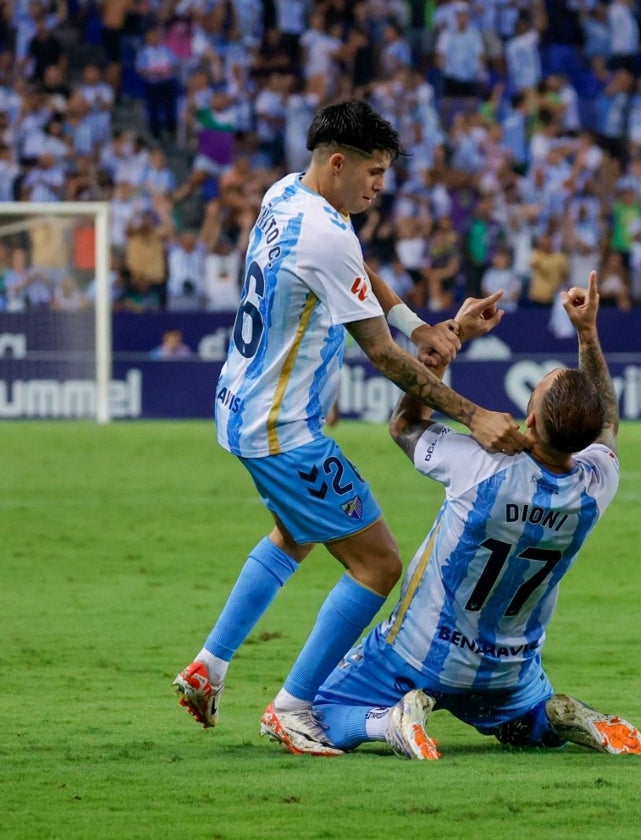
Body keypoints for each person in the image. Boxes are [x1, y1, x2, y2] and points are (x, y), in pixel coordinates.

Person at [172, 99, 528, 756]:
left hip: (243, 405)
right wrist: (473, 413)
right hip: (285, 431)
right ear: (340, 163)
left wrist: (422, 324)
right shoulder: (326, 233)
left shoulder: (289, 196)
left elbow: (357, 269)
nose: (379, 186)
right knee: (378, 564)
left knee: (298, 531)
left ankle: (209, 667)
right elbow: (383, 356)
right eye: (375, 172)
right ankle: (292, 707)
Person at [311, 271, 641, 759]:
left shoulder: (479, 464)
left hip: (420, 654)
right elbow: (608, 422)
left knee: (319, 710)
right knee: (518, 726)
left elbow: (405, 425)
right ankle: (546, 716)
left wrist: (445, 352)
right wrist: (588, 333)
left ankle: (389, 720)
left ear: (529, 419)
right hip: (509, 670)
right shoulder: (596, 486)